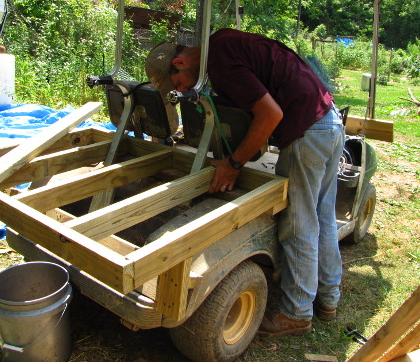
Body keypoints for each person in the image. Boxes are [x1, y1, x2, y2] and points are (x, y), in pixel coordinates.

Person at [145, 28, 345, 336]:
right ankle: (328, 299)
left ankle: (297, 312)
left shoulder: (219, 60)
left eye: (179, 85)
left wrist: (234, 164)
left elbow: (270, 114)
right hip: (328, 123)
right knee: (322, 215)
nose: (183, 89)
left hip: (307, 133)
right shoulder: (223, 42)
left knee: (299, 223)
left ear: (182, 63)